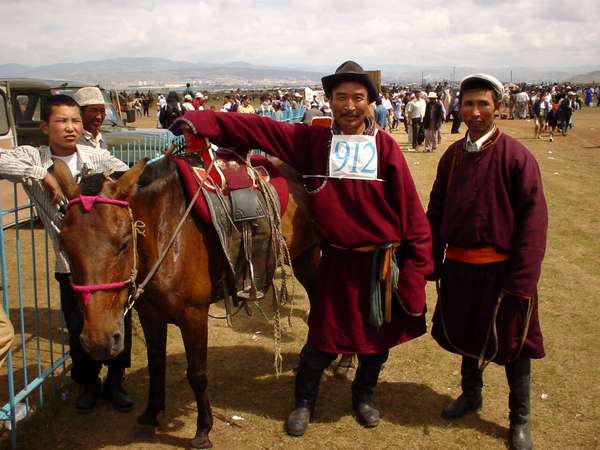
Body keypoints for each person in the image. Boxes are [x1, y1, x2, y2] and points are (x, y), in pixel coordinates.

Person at [169, 60, 433, 437]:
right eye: (341, 97)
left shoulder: (386, 148)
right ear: (329, 101)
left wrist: (416, 273)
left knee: (376, 342)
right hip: (337, 262)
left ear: (371, 102)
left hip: (378, 266)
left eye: (358, 97)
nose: (349, 106)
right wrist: (204, 121)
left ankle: (364, 396)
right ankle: (304, 402)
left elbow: (412, 214)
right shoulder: (312, 143)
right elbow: (260, 127)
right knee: (322, 341)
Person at [427, 73, 547, 450]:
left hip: (503, 271)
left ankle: (520, 418)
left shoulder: (516, 156)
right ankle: (471, 395)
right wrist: (432, 259)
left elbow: (534, 222)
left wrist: (522, 280)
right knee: (466, 333)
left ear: (498, 106)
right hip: (461, 267)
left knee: (514, 344)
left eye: (483, 104)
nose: (475, 112)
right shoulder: (452, 156)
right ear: (458, 107)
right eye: (468, 104)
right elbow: (437, 209)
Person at [0, 95, 133, 414]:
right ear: (45, 126)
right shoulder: (33, 155)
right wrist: (42, 173)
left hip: (108, 264)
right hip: (70, 266)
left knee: (121, 319)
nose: (70, 128)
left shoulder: (96, 157)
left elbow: (126, 174)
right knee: (77, 327)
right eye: (61, 121)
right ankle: (88, 383)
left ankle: (116, 381)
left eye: (75, 121)